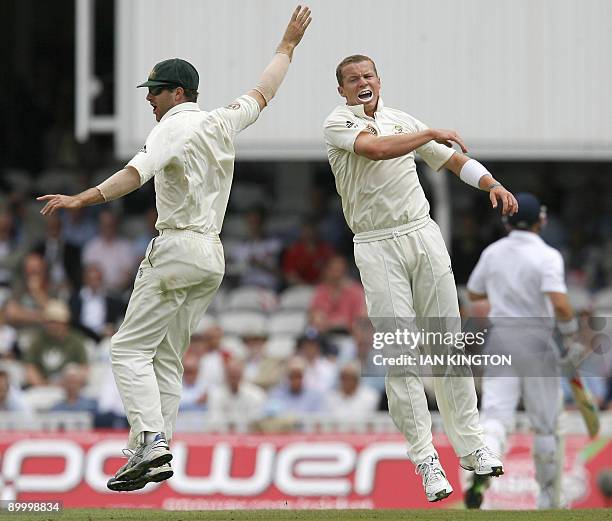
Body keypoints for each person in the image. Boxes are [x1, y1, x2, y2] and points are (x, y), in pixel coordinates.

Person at [36, 5, 311, 492]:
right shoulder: (222, 121)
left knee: (125, 349)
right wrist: (286, 46)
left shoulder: (172, 127)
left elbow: (133, 175)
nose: (151, 100)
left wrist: (82, 197)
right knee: (165, 355)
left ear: (178, 92)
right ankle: (158, 450)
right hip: (212, 256)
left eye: (156, 91)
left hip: (177, 248)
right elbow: (263, 93)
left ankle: (150, 441)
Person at [323, 54, 518, 502]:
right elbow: (377, 149)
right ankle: (426, 458)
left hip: (421, 233)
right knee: (401, 352)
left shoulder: (400, 120)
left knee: (448, 344)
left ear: (378, 79)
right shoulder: (337, 123)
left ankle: (471, 446)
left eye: (368, 75)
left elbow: (451, 160)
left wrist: (491, 184)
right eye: (352, 79)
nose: (362, 83)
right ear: (342, 90)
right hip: (376, 243)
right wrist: (429, 132)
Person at [466, 193, 582, 509]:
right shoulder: (547, 256)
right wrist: (571, 338)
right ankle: (547, 499)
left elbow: (475, 291)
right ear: (541, 221)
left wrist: (503, 295)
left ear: (506, 221)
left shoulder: (493, 253)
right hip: (536, 341)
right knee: (544, 424)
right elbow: (559, 302)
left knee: (495, 417)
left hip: (500, 338)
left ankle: (484, 466)